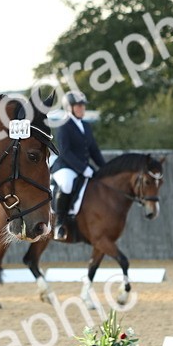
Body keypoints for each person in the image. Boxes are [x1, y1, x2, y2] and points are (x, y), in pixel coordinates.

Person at [50, 91, 106, 240]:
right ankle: (59, 224)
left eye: (83, 106)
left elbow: (94, 150)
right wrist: (83, 168)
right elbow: (65, 152)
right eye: (78, 106)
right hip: (64, 167)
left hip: (83, 167)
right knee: (67, 184)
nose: (82, 108)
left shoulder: (86, 126)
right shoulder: (63, 125)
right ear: (69, 108)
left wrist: (105, 168)